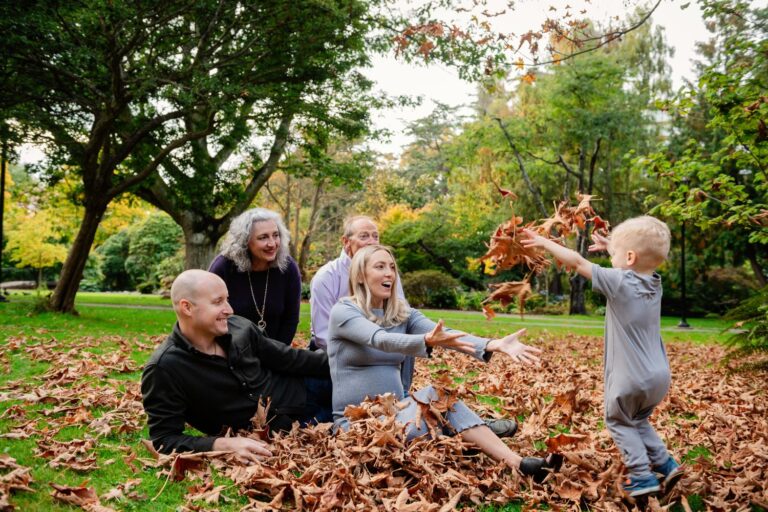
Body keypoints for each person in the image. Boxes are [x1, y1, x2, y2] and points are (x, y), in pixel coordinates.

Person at [327, 245, 562, 483]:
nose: (389, 273)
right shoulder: (344, 311)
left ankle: (521, 464)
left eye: (392, 267)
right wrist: (425, 340)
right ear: (359, 275)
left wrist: (493, 344)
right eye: (380, 267)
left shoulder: (401, 314)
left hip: (399, 415)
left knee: (440, 397)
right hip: (358, 427)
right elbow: (380, 339)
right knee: (435, 401)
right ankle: (475, 428)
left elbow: (446, 334)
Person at [521, 216, 684, 498]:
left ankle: (642, 475)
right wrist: (615, 247)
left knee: (619, 421)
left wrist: (545, 243)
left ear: (630, 257)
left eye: (617, 254)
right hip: (659, 377)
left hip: (630, 378)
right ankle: (666, 464)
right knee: (638, 420)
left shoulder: (619, 282)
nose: (612, 259)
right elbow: (635, 262)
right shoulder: (654, 283)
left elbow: (577, 263)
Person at [310, 215, 517, 436]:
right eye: (364, 236)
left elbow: (435, 331)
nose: (372, 241)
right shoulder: (332, 287)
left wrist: (491, 344)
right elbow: (357, 337)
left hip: (393, 401)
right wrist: (363, 343)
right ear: (346, 242)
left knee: (436, 397)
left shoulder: (394, 297)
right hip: (346, 381)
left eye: (375, 235)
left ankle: (487, 438)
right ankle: (464, 426)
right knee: (429, 400)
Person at [141, 270, 331, 462]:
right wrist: (223, 445)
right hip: (294, 430)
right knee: (349, 423)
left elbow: (288, 358)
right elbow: (164, 440)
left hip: (307, 388)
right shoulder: (164, 368)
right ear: (187, 307)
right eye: (218, 302)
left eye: (227, 299)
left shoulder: (240, 327)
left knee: (358, 386)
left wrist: (345, 364)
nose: (229, 309)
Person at [209, 208, 300, 345]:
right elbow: (210, 316)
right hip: (231, 352)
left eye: (275, 235)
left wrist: (277, 354)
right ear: (245, 241)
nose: (272, 243)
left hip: (275, 354)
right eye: (263, 237)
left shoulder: (287, 267)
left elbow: (291, 318)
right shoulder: (223, 267)